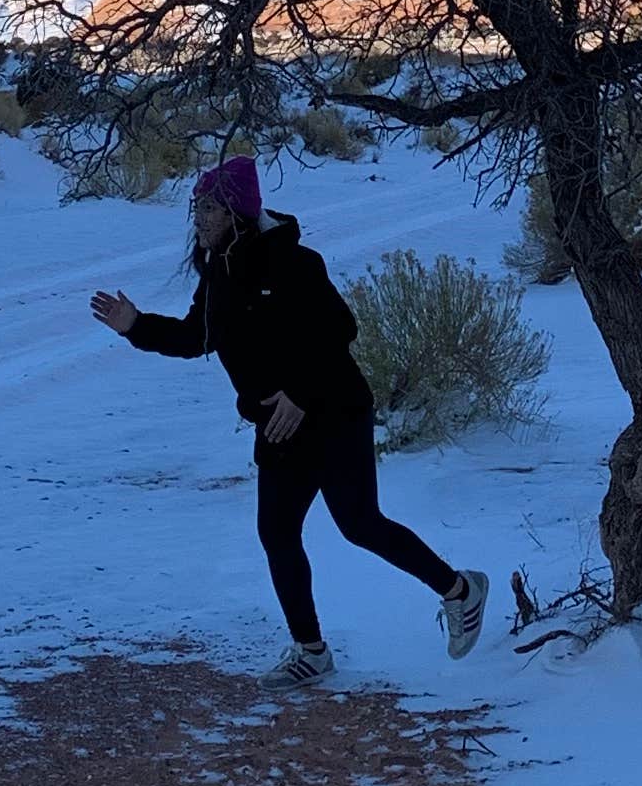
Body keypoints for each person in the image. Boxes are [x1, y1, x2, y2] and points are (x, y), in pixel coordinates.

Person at [93, 156, 490, 683]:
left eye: (207, 207)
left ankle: (460, 590)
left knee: (359, 524)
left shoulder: (294, 262)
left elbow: (339, 330)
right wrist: (136, 326)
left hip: (334, 412)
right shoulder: (219, 270)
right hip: (277, 427)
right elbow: (198, 337)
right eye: (197, 207)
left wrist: (300, 393)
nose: (198, 217)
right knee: (277, 534)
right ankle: (312, 651)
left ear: (235, 210)